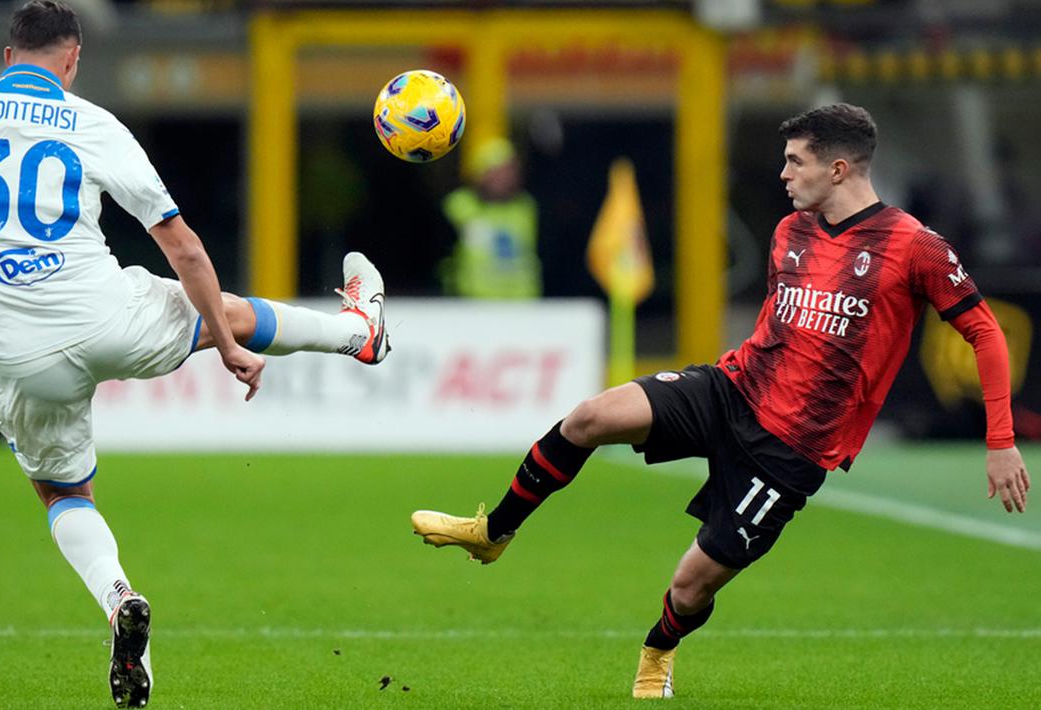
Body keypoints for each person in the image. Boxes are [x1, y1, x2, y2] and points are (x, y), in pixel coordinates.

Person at [0, 2, 388, 707]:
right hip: (105, 317)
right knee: (226, 309)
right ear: (72, 62)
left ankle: (121, 599)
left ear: (7, 58)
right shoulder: (91, 123)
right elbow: (182, 246)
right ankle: (357, 334)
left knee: (63, 492)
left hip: (9, 353)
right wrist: (225, 339)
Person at [411, 103, 1031, 699]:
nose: (783, 175)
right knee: (590, 417)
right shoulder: (791, 231)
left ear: (837, 169)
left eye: (795, 162)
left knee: (691, 585)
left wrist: (1000, 442)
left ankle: (658, 650)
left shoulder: (912, 245)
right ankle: (493, 531)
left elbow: (985, 332)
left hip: (792, 449)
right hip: (733, 389)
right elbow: (782, 328)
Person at [439, 137, 542, 299]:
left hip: (522, 303)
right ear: (479, 172)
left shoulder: (526, 207)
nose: (503, 178)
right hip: (471, 303)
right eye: (495, 171)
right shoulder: (458, 205)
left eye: (509, 170)